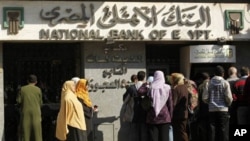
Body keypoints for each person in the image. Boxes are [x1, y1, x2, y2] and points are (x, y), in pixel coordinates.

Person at [202, 65, 233, 141]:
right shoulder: (225, 83)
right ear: (223, 73)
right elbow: (229, 97)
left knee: (212, 130)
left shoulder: (208, 83)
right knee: (223, 131)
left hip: (212, 109)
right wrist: (228, 104)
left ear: (214, 73)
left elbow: (204, 98)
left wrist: (209, 102)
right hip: (223, 110)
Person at [146, 70, 173, 141]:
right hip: (165, 117)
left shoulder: (150, 87)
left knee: (153, 138)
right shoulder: (167, 87)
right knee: (164, 138)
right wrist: (170, 117)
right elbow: (170, 104)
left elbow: (140, 91)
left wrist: (145, 84)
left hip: (152, 117)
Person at [123, 71, 149, 141]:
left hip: (133, 114)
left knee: (133, 133)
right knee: (144, 133)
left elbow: (125, 100)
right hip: (145, 114)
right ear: (144, 77)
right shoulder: (147, 87)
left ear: (137, 77)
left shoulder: (131, 88)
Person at [16, 74, 43, 141]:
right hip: (36, 115)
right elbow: (40, 103)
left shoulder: (22, 89)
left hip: (25, 115)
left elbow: (18, 101)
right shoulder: (38, 90)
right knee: (37, 134)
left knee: (25, 134)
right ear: (36, 82)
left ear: (27, 81)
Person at [170, 72, 189, 141]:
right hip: (184, 113)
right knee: (182, 131)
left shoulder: (176, 88)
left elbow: (173, 103)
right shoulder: (185, 87)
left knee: (179, 132)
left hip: (177, 114)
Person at [196, 72, 210, 141]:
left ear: (202, 79)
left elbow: (198, 99)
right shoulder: (212, 84)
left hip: (203, 110)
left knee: (204, 129)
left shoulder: (200, 86)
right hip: (211, 109)